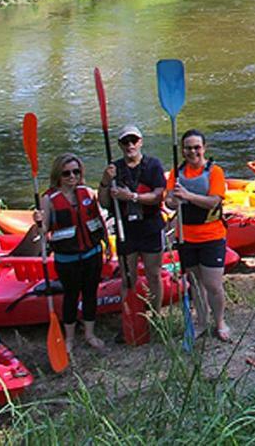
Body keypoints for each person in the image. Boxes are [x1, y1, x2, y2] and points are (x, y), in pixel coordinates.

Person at [38, 152, 107, 355]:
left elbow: (97, 220)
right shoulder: (48, 199)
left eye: (76, 172)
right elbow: (43, 231)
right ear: (58, 175)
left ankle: (89, 334)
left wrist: (106, 243)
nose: (72, 177)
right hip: (67, 258)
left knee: (90, 294)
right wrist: (38, 221)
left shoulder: (87, 192)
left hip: (92, 253)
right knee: (71, 296)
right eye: (66, 173)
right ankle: (69, 338)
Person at [166, 129, 229, 342]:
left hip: (212, 236)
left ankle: (219, 322)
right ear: (182, 150)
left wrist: (188, 196)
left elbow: (214, 201)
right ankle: (201, 322)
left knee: (213, 284)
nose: (193, 152)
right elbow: (169, 201)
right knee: (195, 283)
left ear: (204, 148)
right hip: (186, 237)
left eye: (197, 147)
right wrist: (172, 201)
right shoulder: (176, 173)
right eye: (188, 148)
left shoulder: (214, 172)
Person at [99, 124, 166, 317]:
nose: (130, 145)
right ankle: (129, 319)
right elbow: (104, 203)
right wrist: (105, 181)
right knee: (128, 278)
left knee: (153, 275)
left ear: (140, 142)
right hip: (124, 229)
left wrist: (131, 197)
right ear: (120, 145)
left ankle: (156, 315)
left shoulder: (153, 165)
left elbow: (158, 196)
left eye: (133, 141)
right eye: (125, 142)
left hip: (150, 226)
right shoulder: (114, 170)